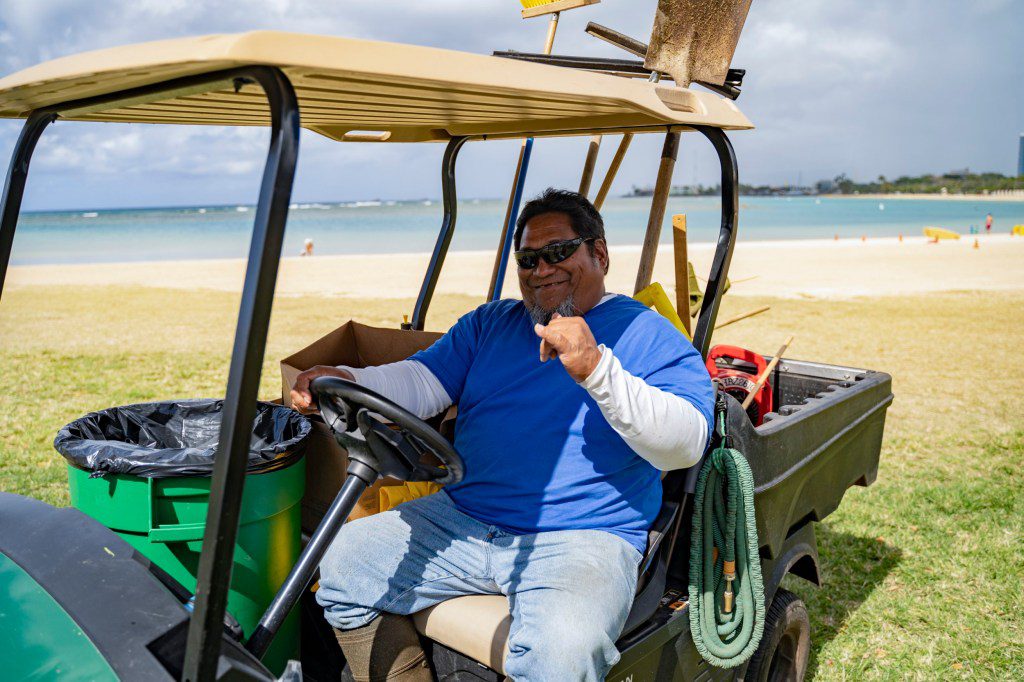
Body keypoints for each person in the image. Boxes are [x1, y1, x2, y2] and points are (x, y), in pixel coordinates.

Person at [291, 189, 714, 681]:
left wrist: (597, 370)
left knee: (562, 650)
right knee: (342, 563)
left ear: (599, 254)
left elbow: (686, 442)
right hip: (461, 518)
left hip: (581, 535)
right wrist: (348, 378)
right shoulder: (491, 323)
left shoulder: (648, 333)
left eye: (559, 252)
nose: (541, 269)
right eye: (528, 259)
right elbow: (421, 381)